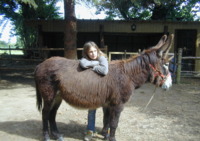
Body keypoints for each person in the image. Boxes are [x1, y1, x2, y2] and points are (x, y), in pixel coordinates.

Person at [79, 41, 109, 141]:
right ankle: (90, 131)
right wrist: (97, 64)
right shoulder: (85, 59)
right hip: (92, 91)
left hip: (105, 90)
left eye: (95, 51)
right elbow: (83, 63)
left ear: (97, 50)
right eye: (90, 52)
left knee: (106, 112)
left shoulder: (102, 57)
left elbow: (105, 71)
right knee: (91, 112)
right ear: (86, 53)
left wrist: (92, 66)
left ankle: (106, 131)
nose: (93, 54)